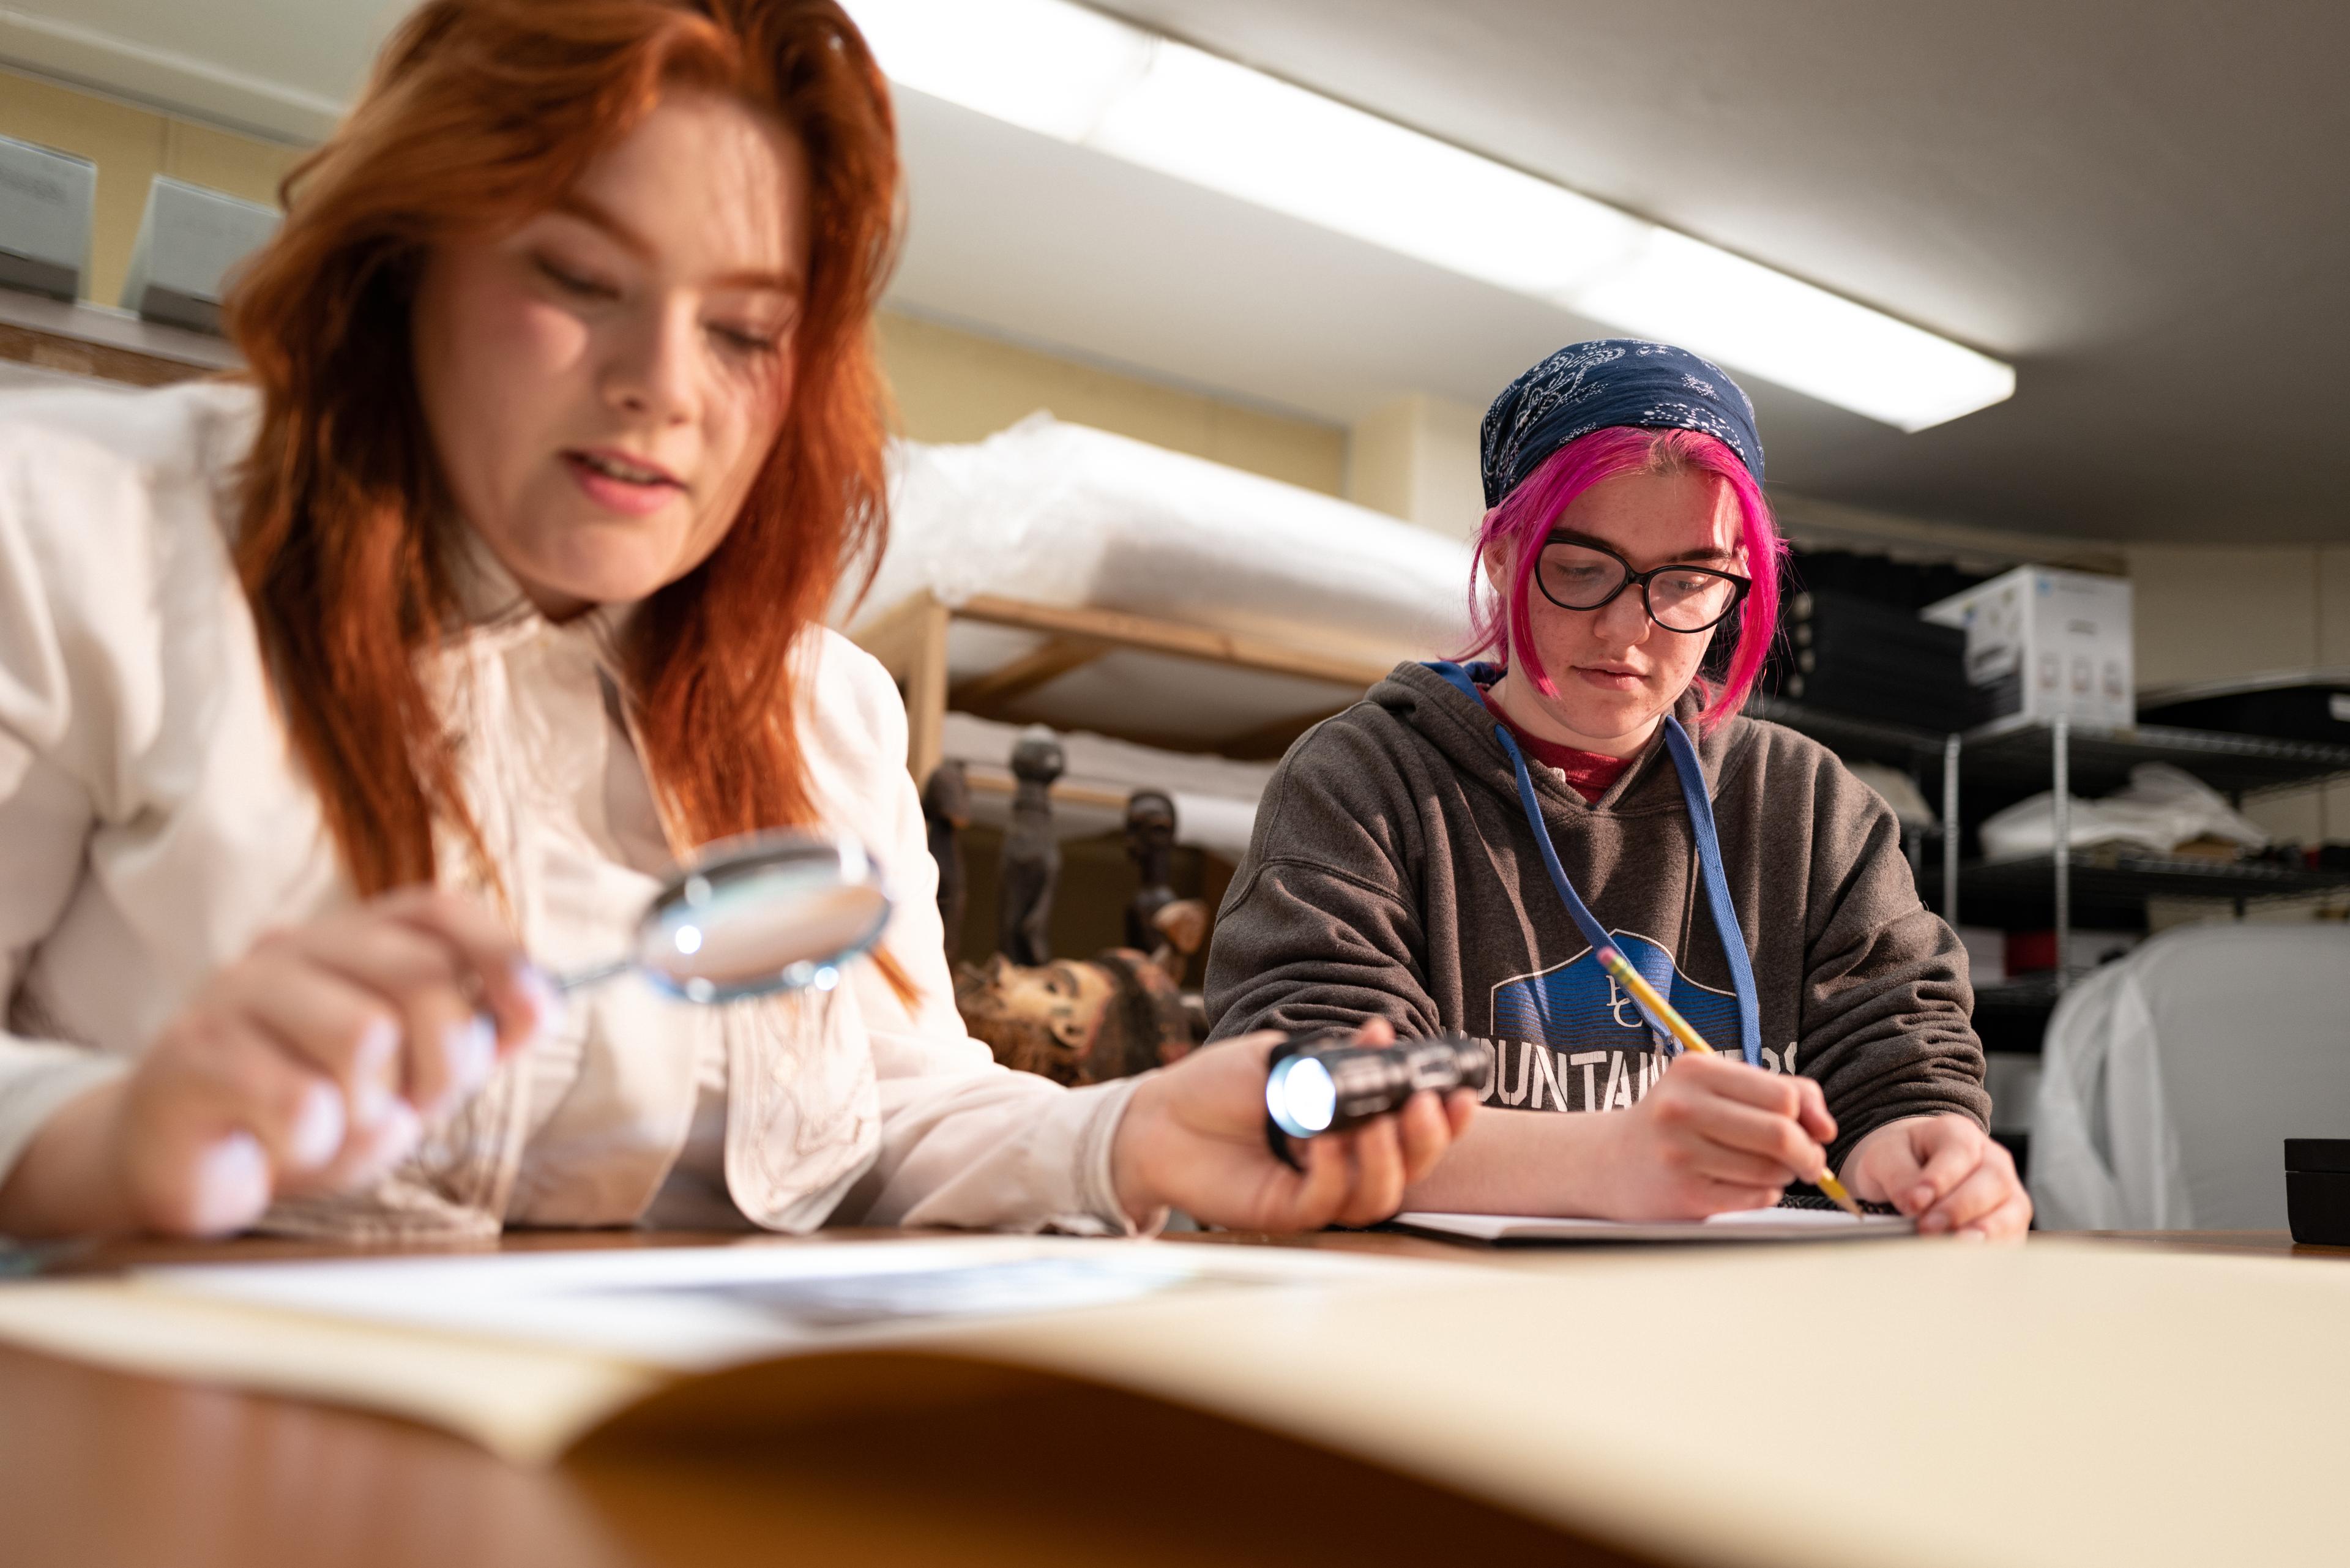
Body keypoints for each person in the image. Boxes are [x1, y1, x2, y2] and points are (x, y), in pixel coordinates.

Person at [0, 0, 1471, 1242]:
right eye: (579, 279)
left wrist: (1123, 1136)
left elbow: (900, 1102)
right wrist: (109, 1127)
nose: (666, 384)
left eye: (745, 332)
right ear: (406, 264)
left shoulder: (823, 712)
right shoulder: (82, 536)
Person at [1204, 340, 2029, 1239]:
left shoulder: (1810, 805)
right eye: (1582, 568)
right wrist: (1607, 1160)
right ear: (1502, 556)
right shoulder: (1365, 782)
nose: (1630, 628)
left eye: (1686, 581)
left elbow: (1903, 1054)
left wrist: (1918, 1143)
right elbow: (1307, 1099)